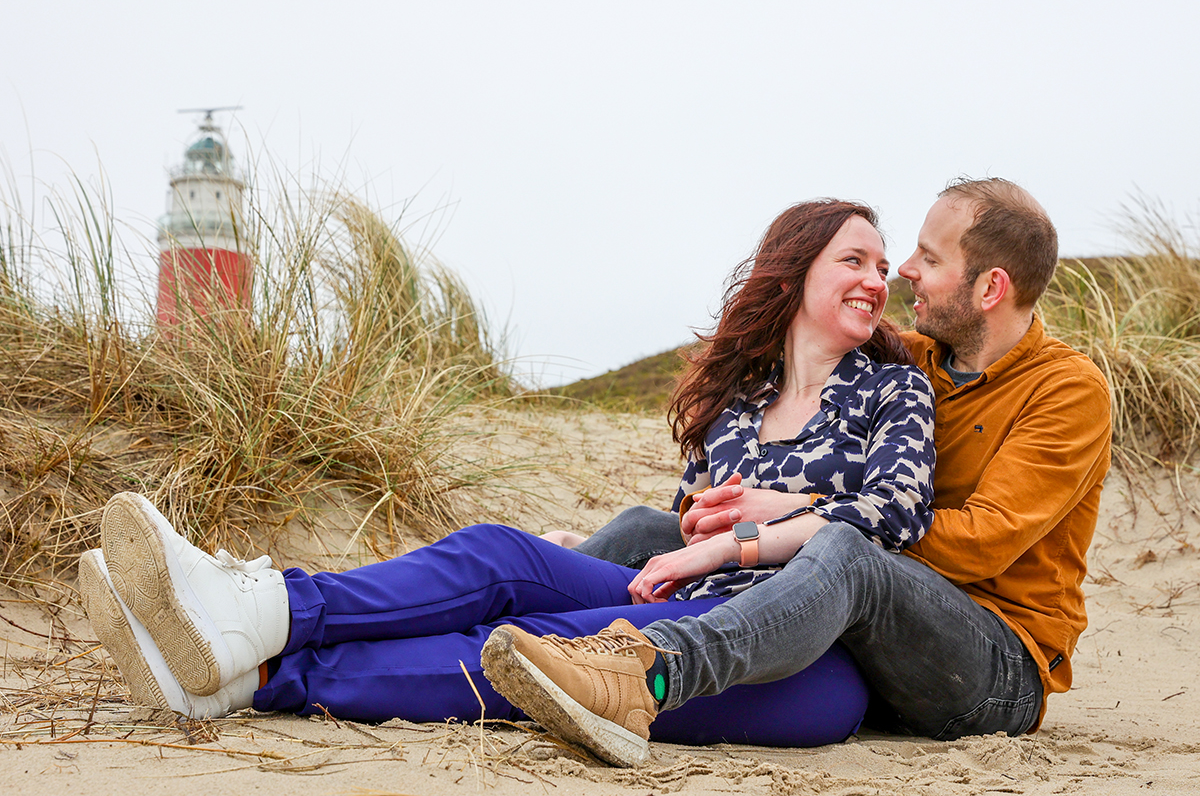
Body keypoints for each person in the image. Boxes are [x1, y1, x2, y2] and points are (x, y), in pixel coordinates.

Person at [78, 199, 935, 750]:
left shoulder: (896, 390)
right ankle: (263, 615)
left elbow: (897, 516)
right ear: (794, 275)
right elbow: (685, 529)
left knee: (525, 650)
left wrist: (775, 513)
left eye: (881, 264)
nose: (877, 278)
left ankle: (259, 679)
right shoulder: (736, 404)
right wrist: (616, 543)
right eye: (853, 260)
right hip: (685, 607)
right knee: (503, 556)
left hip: (805, 663)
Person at [481, 177, 1113, 767]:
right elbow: (809, 328)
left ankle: (651, 674)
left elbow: (981, 542)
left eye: (930, 257)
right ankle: (519, 617)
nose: (906, 273)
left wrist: (785, 514)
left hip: (989, 665)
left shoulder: (1067, 391)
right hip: (861, 630)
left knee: (847, 550)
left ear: (990, 288)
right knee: (656, 526)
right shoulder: (914, 355)